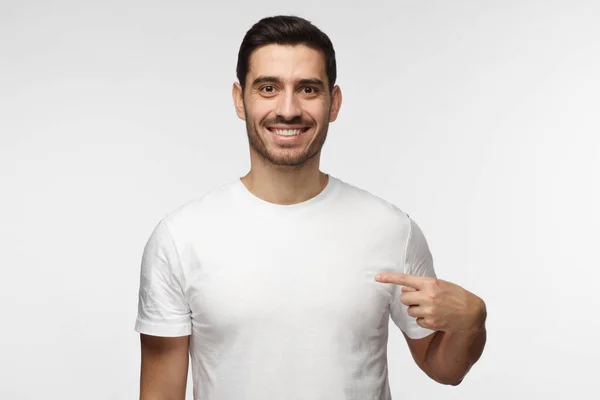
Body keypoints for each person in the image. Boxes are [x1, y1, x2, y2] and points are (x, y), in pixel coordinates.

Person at [134, 15, 487, 400]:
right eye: (268, 88)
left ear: (333, 102)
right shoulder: (181, 237)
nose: (288, 109)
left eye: (308, 89)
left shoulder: (391, 230)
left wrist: (472, 322)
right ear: (240, 99)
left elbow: (444, 368)